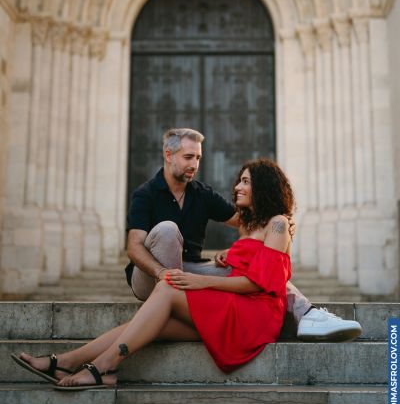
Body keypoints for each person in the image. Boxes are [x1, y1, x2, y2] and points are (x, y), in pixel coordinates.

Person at [12, 158, 293, 387]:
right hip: (234, 309)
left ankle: (102, 367)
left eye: (245, 181)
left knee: (169, 287)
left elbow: (259, 283)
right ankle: (66, 360)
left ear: (264, 186)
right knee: (149, 325)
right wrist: (228, 254)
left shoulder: (278, 224)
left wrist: (199, 281)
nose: (237, 187)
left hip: (255, 316)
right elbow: (253, 258)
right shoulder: (248, 224)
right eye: (239, 181)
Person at [125, 128, 362, 341]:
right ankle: (167, 300)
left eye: (198, 158)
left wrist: (276, 227)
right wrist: (161, 272)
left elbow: (246, 221)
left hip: (187, 269)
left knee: (257, 267)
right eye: (188, 157)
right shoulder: (146, 194)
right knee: (167, 230)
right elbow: (134, 247)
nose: (195, 165)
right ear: (168, 155)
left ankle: (307, 314)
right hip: (150, 276)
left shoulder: (201, 193)